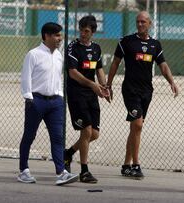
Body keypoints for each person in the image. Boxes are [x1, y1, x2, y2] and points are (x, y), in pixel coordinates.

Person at [106, 11, 179, 179]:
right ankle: (136, 165)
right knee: (138, 125)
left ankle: (126, 165)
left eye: (143, 22)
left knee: (135, 127)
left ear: (150, 24)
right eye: (138, 22)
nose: (140, 24)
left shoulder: (155, 45)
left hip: (147, 91)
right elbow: (115, 63)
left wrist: (172, 82)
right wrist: (108, 85)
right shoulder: (126, 42)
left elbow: (164, 66)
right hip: (130, 90)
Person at [18, 22, 78, 185]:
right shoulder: (33, 54)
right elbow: (25, 77)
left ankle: (61, 172)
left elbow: (58, 78)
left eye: (61, 35)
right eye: (57, 35)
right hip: (36, 101)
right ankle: (23, 170)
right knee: (29, 136)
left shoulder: (59, 55)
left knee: (58, 137)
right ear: (47, 36)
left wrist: (59, 96)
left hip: (55, 103)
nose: (60, 38)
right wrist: (29, 97)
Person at [63, 15, 109, 183]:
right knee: (87, 131)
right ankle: (84, 171)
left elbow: (100, 70)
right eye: (81, 30)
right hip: (77, 94)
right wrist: (92, 85)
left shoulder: (96, 48)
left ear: (93, 32)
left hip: (91, 94)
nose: (83, 33)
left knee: (94, 134)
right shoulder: (72, 47)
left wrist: (104, 87)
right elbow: (73, 73)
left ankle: (68, 153)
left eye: (87, 31)